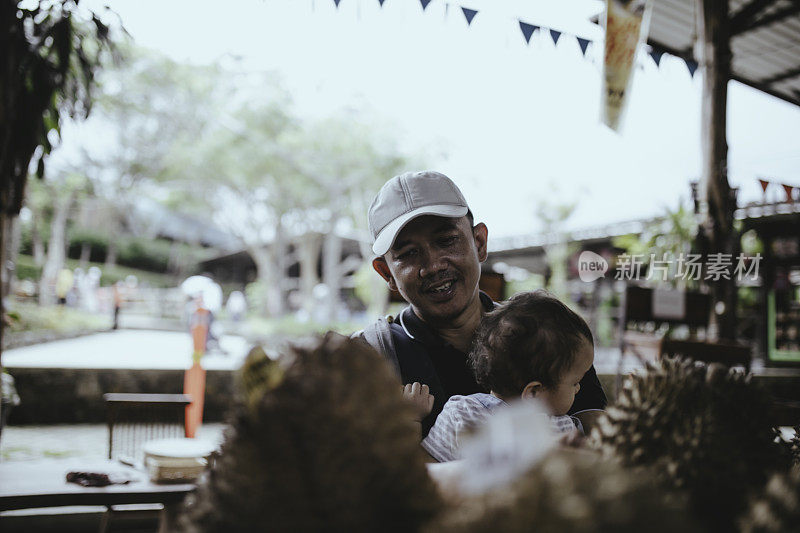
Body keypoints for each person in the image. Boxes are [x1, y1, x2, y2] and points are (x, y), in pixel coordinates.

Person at [357, 170, 606, 437]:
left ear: (479, 243)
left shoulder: (546, 334)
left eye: (446, 241)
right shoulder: (369, 359)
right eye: (408, 254)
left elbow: (598, 437)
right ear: (386, 274)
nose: (432, 266)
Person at [420, 290, 594, 462]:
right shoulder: (463, 415)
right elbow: (423, 472)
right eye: (575, 382)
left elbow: (428, 471)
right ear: (533, 393)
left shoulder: (461, 414)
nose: (579, 388)